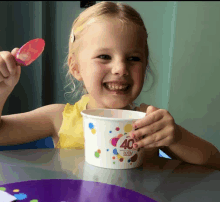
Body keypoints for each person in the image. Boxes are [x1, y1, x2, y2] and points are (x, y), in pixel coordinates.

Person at [0, 1, 219, 170]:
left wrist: (177, 136)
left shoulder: (150, 123)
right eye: (104, 56)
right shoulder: (57, 117)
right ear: (76, 68)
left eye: (134, 58)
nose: (120, 68)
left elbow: (214, 164)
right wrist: (2, 90)